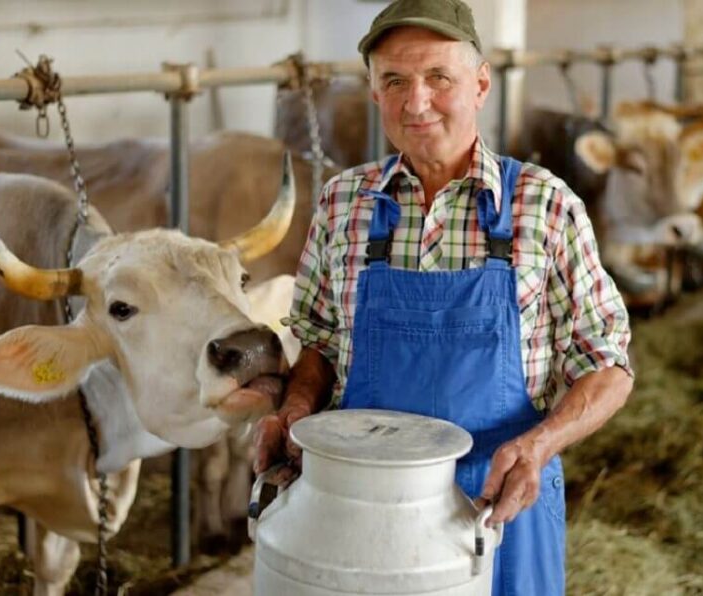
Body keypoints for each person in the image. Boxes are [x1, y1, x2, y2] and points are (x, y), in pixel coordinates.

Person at [253, 0, 634, 593]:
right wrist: (298, 410)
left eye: (439, 78)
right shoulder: (342, 203)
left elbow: (608, 366)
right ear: (375, 93)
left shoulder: (545, 206)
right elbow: (319, 342)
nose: (416, 101)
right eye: (395, 81)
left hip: (499, 506)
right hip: (361, 509)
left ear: (480, 84)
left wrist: (540, 446)